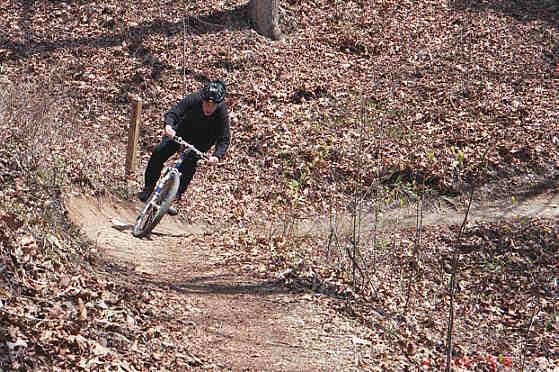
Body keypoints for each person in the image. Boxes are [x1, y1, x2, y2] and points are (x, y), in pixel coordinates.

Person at [137, 80, 231, 215]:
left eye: (213, 105)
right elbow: (174, 112)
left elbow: (224, 138)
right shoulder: (194, 99)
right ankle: (148, 188)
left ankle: (174, 197)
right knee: (159, 151)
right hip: (182, 131)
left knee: (190, 163)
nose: (208, 108)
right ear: (202, 98)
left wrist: (217, 155)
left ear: (218, 104)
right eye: (206, 103)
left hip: (203, 140)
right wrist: (169, 126)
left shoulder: (222, 113)